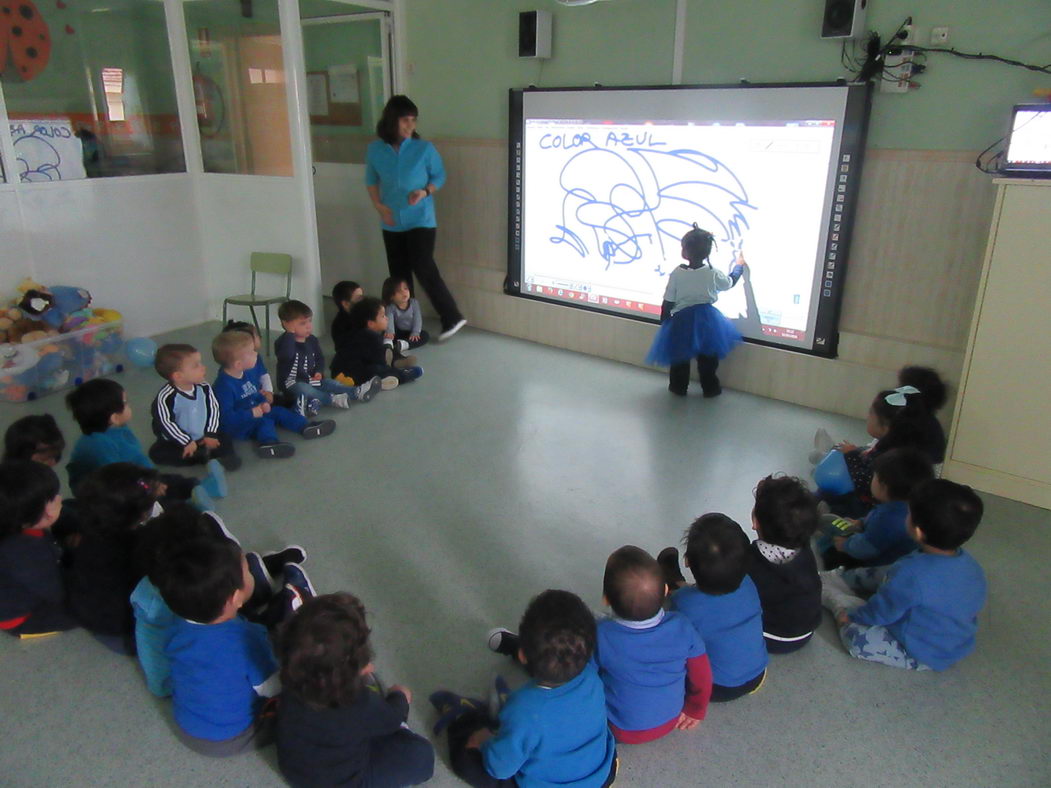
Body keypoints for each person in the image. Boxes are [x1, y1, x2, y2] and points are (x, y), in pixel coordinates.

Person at [433, 590, 617, 788]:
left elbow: (500, 768)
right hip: (601, 777)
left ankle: (461, 715)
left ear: (522, 656)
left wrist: (483, 741)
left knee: (467, 759)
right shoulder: (592, 678)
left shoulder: (524, 707)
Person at [820, 479, 987, 671]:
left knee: (858, 641)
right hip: (951, 642)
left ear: (918, 531)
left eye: (908, 513)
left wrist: (853, 616)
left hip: (921, 652)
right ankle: (844, 578)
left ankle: (838, 600)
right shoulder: (971, 566)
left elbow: (883, 611)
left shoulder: (912, 574)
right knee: (888, 571)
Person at [276, 593, 435, 787]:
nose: (370, 666)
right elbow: (392, 718)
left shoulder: (292, 678)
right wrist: (400, 696)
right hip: (345, 781)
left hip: (294, 770)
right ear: (348, 676)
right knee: (421, 755)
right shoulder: (360, 703)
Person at [366, 94, 467, 342]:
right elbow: (371, 180)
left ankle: (451, 316)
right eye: (405, 120)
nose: (411, 125)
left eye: (414, 120)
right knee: (399, 276)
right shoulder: (376, 149)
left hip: (421, 218)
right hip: (391, 221)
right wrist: (379, 206)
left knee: (423, 266)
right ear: (391, 120)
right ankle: (402, 327)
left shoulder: (425, 149)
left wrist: (425, 191)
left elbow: (439, 176)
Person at [588, 545, 711, 743]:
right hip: (670, 720)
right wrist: (695, 709)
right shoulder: (682, 626)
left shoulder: (601, 634)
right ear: (665, 590)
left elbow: (585, 679)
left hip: (616, 727)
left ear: (606, 599)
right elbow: (702, 675)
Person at [65, 378, 225, 510]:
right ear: (114, 417)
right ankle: (190, 507)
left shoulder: (119, 428)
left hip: (132, 477)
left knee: (172, 480)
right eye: (126, 403)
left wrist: (153, 478)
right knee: (154, 506)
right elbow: (119, 481)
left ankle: (206, 487)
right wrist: (148, 488)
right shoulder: (98, 446)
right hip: (110, 494)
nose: (129, 405)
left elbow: (137, 456)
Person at [662, 514, 769, 702]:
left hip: (716, 687)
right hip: (757, 675)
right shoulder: (749, 583)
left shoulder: (684, 603)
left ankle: (673, 582)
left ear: (687, 561)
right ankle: (674, 580)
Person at [63, 463, 160, 652]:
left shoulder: (92, 523)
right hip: (121, 631)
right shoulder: (136, 546)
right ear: (140, 515)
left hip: (92, 613)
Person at [645, 224, 746, 397]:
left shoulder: (677, 272)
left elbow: (668, 299)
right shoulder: (712, 272)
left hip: (681, 321)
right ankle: (710, 388)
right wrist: (739, 267)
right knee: (708, 359)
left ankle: (678, 387)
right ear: (708, 252)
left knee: (679, 358)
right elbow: (729, 283)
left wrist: (664, 321)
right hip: (707, 320)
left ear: (685, 252)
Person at [211, 330, 335, 459]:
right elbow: (226, 418)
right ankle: (268, 443)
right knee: (264, 422)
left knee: (279, 411)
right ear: (238, 364)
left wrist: (263, 400)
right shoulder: (224, 387)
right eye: (252, 352)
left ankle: (305, 426)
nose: (256, 354)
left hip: (255, 410)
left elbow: (253, 392)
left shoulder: (245, 373)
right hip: (239, 425)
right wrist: (252, 413)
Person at [818, 448, 934, 570]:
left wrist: (845, 545)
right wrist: (861, 522)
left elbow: (864, 549)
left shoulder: (887, 518)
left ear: (883, 486)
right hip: (890, 551)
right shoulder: (909, 507)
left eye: (874, 476)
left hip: (875, 566)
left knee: (830, 553)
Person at [0, 460, 78, 638]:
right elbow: (56, 593)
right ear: (44, 514)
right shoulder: (24, 553)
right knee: (90, 609)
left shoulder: (16, 525)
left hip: (25, 586)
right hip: (22, 617)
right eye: (52, 498)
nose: (59, 498)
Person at [747, 475, 822, 654]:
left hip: (769, 636)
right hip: (806, 632)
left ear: (755, 522)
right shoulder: (805, 549)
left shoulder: (750, 560)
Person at [274, 299, 379, 411]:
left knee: (331, 383)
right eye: (302, 323)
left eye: (310, 321)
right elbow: (286, 356)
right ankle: (332, 399)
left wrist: (318, 371)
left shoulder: (312, 340)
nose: (309, 326)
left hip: (310, 379)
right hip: (291, 384)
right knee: (306, 390)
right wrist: (290, 334)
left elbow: (319, 358)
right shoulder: (283, 342)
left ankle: (357, 392)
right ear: (286, 324)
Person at [149, 343, 241, 471]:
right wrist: (186, 441)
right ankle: (201, 456)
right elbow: (166, 423)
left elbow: (213, 409)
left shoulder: (204, 387)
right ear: (178, 376)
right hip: (179, 439)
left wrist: (210, 433)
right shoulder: (166, 398)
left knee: (225, 437)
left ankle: (220, 456)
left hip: (204, 434)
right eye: (196, 366)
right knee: (157, 453)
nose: (203, 368)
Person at [330, 297, 423, 389]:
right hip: (351, 377)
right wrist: (388, 368)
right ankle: (403, 375)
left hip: (336, 373)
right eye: (383, 316)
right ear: (371, 323)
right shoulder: (373, 338)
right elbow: (379, 362)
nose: (387, 318)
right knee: (379, 369)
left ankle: (386, 376)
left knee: (374, 367)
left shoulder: (355, 333)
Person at [383, 276, 430, 349]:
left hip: (411, 332)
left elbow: (417, 319)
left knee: (425, 335)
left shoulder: (414, 303)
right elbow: (390, 320)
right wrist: (390, 332)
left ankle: (403, 345)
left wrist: (415, 332)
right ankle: (388, 345)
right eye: (399, 291)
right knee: (384, 333)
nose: (404, 292)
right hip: (398, 331)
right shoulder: (391, 307)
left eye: (406, 288)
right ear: (391, 296)